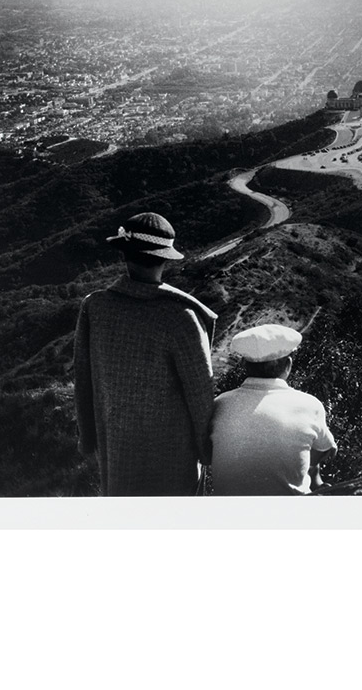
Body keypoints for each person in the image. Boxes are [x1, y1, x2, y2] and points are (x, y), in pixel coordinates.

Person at [74, 212, 217, 496]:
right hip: (174, 456)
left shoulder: (96, 307)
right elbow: (201, 393)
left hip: (116, 449)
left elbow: (83, 379)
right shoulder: (181, 316)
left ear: (123, 255)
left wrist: (87, 438)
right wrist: (208, 451)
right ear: (165, 259)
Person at [210, 324, 337, 496]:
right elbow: (327, 450)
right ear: (288, 366)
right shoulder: (309, 405)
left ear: (245, 366)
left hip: (228, 513)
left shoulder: (220, 403)